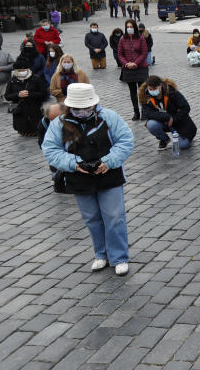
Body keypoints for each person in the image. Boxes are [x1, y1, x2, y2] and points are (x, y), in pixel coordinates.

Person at [42, 83, 134, 276]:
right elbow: (50, 150)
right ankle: (101, 254)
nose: (82, 111)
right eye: (78, 108)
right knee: (92, 218)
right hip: (79, 178)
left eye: (85, 107)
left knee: (114, 217)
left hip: (109, 174)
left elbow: (125, 141)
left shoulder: (109, 117)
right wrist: (74, 163)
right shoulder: (58, 123)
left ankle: (119, 257)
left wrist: (108, 161)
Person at [139, 75, 196, 151]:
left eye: (155, 88)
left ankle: (185, 137)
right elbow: (147, 113)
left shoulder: (172, 92)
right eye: (150, 89)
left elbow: (186, 108)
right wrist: (167, 117)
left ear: (160, 85)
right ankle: (164, 139)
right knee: (151, 124)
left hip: (178, 122)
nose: (152, 91)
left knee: (183, 145)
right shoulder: (145, 96)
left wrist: (174, 118)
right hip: (164, 121)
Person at [115, 20, 149, 120]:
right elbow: (120, 54)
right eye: (127, 26)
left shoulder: (141, 38)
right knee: (132, 92)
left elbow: (144, 53)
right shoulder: (122, 39)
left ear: (134, 27)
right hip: (128, 69)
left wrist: (136, 63)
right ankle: (136, 112)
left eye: (131, 26)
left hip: (141, 68)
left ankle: (144, 112)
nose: (129, 28)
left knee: (142, 90)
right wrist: (126, 63)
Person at [4, 57, 47, 136]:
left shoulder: (36, 79)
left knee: (35, 122)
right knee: (21, 124)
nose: (22, 72)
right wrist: (18, 95)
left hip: (33, 105)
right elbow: (7, 96)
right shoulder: (12, 80)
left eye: (23, 70)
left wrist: (30, 94)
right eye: (19, 71)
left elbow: (43, 93)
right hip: (18, 106)